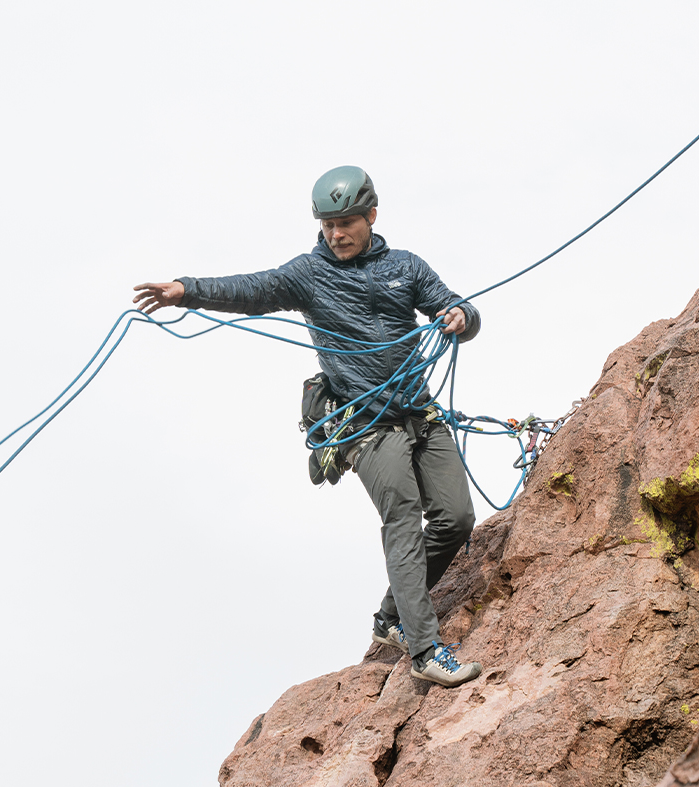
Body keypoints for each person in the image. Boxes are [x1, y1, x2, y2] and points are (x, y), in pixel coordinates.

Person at [132, 166, 483, 687]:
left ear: (371, 216)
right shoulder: (308, 274)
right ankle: (425, 650)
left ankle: (390, 618)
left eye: (346, 223)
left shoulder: (406, 267)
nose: (336, 234)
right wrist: (186, 290)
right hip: (365, 425)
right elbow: (251, 289)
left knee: (456, 518)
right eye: (327, 225)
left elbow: (456, 308)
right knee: (404, 519)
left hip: (420, 414)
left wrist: (461, 317)